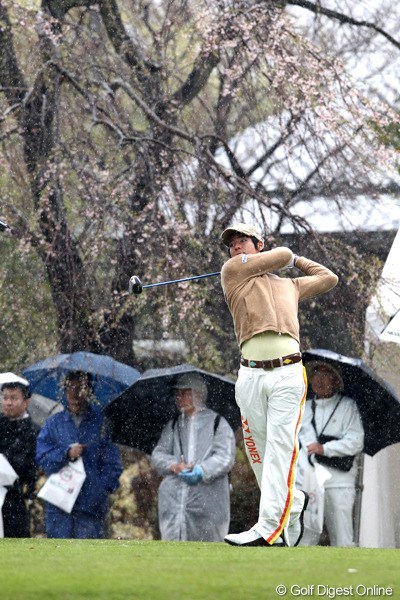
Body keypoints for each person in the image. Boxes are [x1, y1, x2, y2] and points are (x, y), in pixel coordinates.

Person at [220, 222, 338, 547]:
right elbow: (281, 254)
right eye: (232, 244)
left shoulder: (290, 286)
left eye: (243, 241)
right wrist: (286, 256)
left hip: (287, 374)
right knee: (258, 454)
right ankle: (293, 502)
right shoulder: (232, 272)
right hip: (250, 376)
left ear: (259, 245)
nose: (236, 248)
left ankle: (267, 529)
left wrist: (297, 259)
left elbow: (329, 278)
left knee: (279, 450)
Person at [36, 370, 122, 539]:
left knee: (90, 560)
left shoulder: (101, 424)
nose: (74, 393)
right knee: (58, 559)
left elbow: (112, 463)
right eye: (70, 388)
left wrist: (100, 489)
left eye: (79, 388)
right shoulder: (53, 423)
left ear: (88, 391)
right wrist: (66, 453)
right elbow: (42, 457)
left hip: (91, 508)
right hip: (59, 505)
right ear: (64, 390)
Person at [151, 373, 236, 541]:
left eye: (184, 393)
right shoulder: (174, 424)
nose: (179, 398)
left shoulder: (217, 423)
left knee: (207, 548)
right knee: (174, 544)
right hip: (174, 501)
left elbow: (225, 456)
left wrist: (201, 470)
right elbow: (158, 454)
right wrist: (174, 466)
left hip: (208, 500)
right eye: (177, 393)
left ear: (198, 394)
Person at [297, 361, 364, 547]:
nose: (320, 379)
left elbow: (356, 441)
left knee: (342, 538)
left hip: (339, 483)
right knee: (305, 538)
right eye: (316, 374)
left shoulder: (348, 407)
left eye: (326, 375)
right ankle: (299, 574)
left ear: (335, 380)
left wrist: (325, 449)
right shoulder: (304, 408)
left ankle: (347, 575)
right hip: (308, 483)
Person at [0, 379, 37, 537]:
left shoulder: (34, 430)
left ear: (26, 401)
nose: (8, 403)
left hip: (16, 498)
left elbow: (25, 465)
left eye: (13, 398)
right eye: (5, 397)